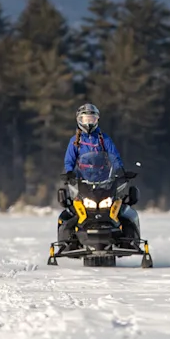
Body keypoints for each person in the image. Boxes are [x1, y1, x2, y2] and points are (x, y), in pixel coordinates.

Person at [58, 103, 139, 249]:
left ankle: (128, 239)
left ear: (97, 120)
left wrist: (121, 171)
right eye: (86, 119)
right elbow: (69, 160)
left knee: (120, 208)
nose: (89, 123)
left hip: (104, 180)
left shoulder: (103, 139)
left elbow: (114, 156)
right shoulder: (75, 141)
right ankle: (69, 242)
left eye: (92, 119)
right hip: (82, 181)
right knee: (73, 211)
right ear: (79, 120)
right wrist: (69, 173)